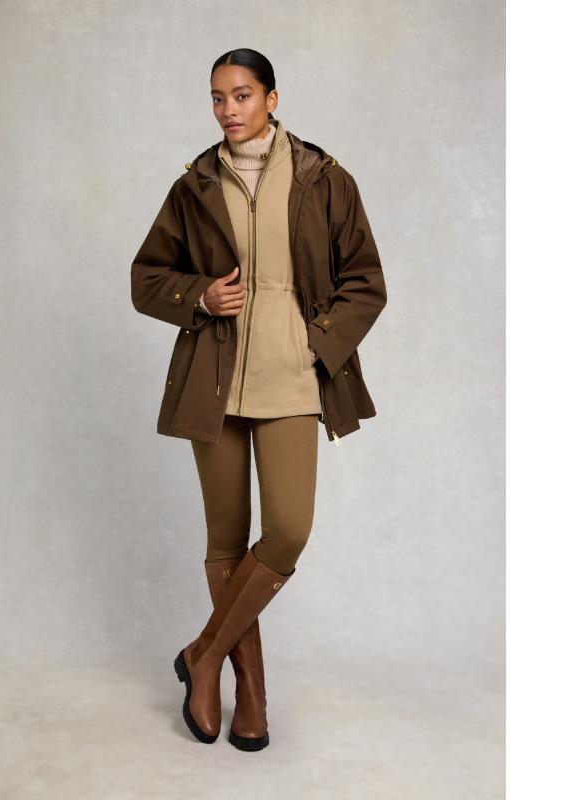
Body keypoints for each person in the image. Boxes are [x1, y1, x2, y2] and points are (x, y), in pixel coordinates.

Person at [130, 48, 387, 750]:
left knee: (287, 530)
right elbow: (146, 277)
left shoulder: (324, 179)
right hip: (211, 380)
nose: (228, 110)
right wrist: (198, 296)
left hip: (291, 376)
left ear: (272, 98)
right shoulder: (194, 185)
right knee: (224, 538)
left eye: (241, 95)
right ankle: (250, 695)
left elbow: (366, 281)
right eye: (217, 97)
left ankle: (203, 654)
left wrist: (315, 343)